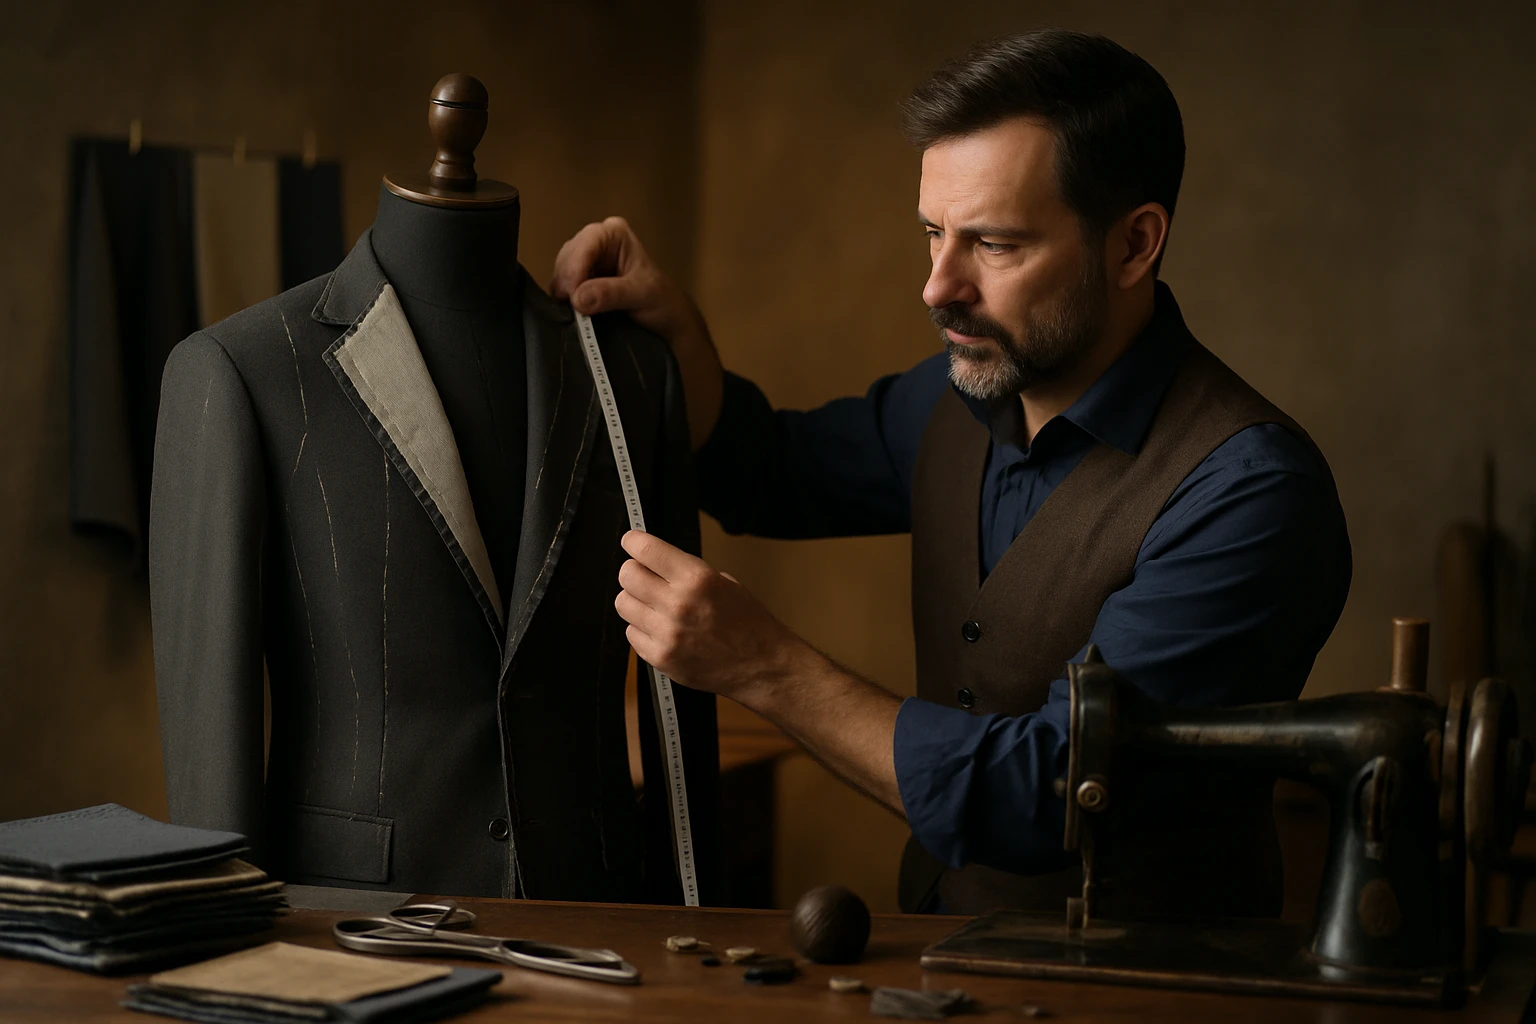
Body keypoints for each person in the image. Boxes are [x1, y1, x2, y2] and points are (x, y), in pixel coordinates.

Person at [549, 29, 1351, 918]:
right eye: (933, 233)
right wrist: (679, 338)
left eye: (995, 245)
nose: (937, 286)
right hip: (942, 962)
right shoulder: (956, 395)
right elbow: (765, 469)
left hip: (1148, 994)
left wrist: (766, 667)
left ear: (1134, 245)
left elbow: (1048, 791)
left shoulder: (1252, 494)